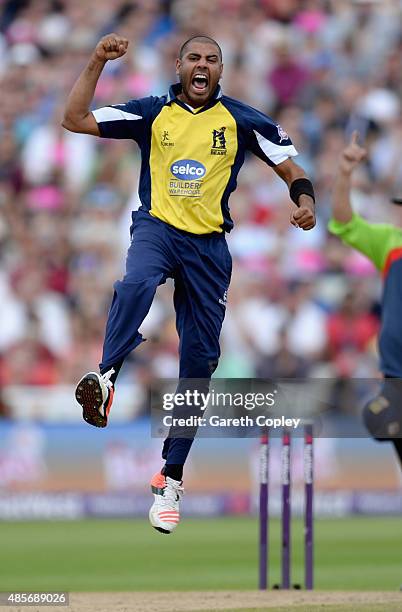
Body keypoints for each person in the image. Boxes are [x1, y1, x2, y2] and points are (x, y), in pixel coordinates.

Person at [62, 33, 316, 533]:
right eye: (194, 58)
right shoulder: (152, 112)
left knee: (198, 363)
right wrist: (95, 60)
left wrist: (305, 203)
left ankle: (169, 478)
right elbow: (75, 119)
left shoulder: (242, 119)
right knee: (136, 283)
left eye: (212, 59)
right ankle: (107, 376)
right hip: (158, 228)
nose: (202, 66)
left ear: (222, 70)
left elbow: (291, 169)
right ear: (178, 66)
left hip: (209, 249)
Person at [328, 131, 402, 468]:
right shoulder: (391, 242)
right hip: (395, 378)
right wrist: (344, 174)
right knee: (379, 420)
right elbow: (345, 223)